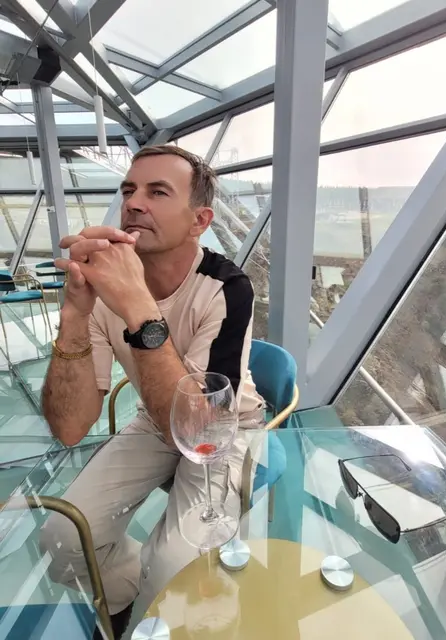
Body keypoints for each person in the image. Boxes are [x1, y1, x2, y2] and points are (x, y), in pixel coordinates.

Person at [40, 145, 264, 639]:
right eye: (128, 190)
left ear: (199, 220)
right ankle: (133, 602)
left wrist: (138, 304)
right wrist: (75, 314)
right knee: (63, 536)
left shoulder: (225, 287)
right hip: (155, 419)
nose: (134, 203)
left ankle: (159, 600)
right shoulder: (102, 289)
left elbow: (199, 428)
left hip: (223, 427)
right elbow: (71, 428)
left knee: (176, 566)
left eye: (158, 192)